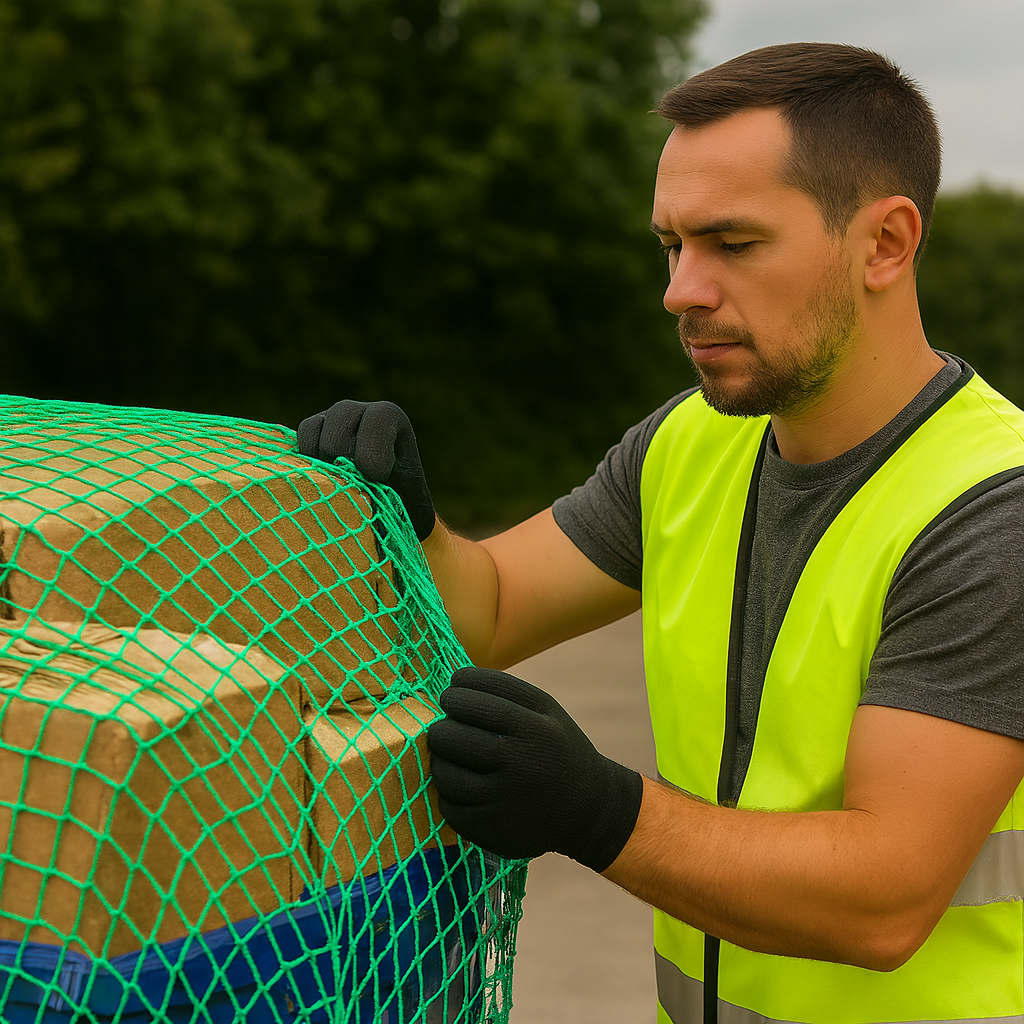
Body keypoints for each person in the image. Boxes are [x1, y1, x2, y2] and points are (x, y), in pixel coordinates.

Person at [298, 43, 1024, 1024]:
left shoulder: (991, 507)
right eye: (671, 245)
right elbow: (493, 606)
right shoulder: (689, 443)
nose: (682, 289)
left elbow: (882, 896)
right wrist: (409, 519)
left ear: (885, 244)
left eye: (731, 242)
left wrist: (598, 809)